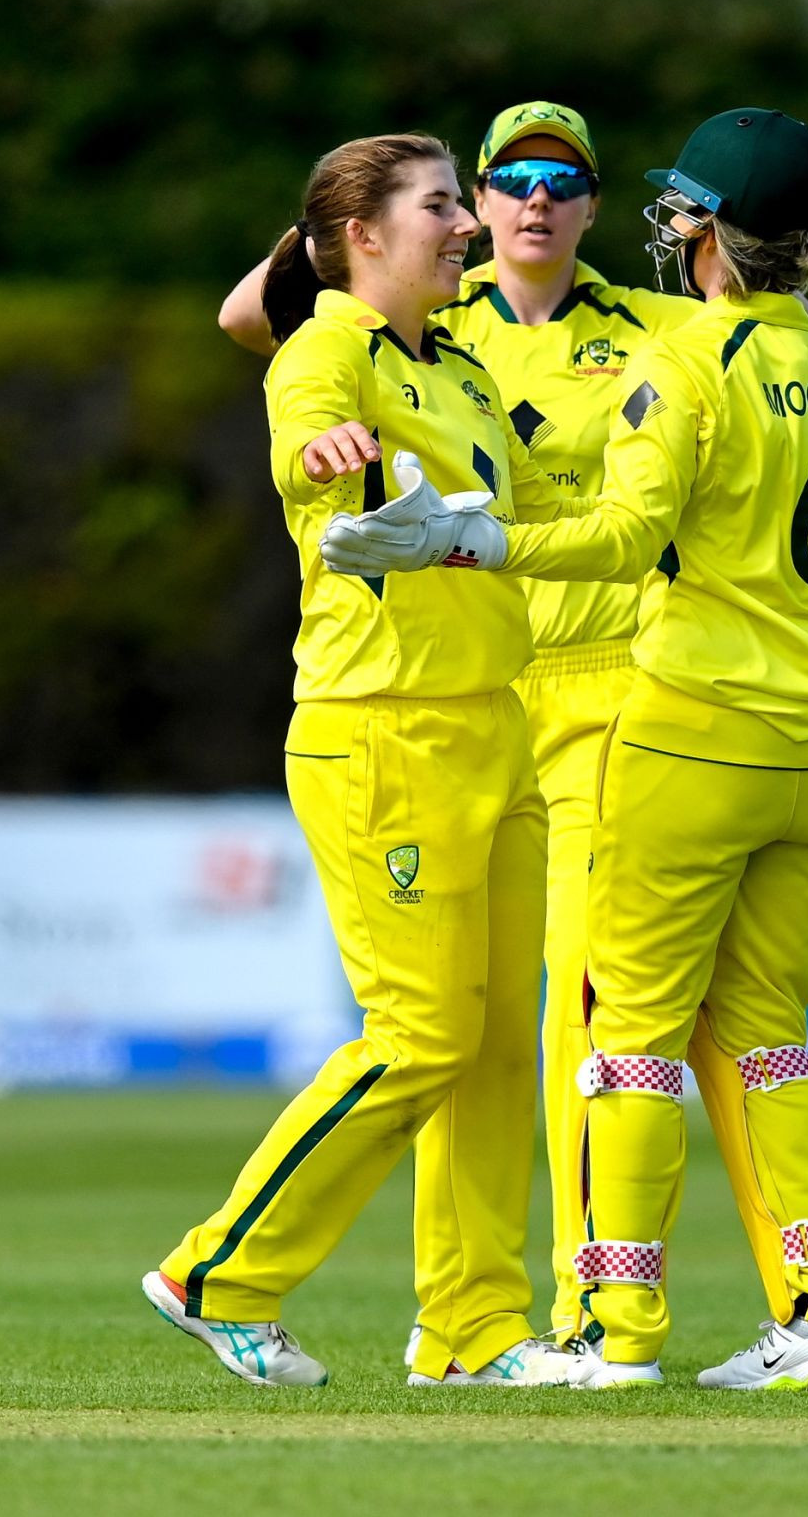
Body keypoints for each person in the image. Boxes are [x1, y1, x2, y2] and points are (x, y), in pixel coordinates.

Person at [219, 99, 808, 1361]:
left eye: (562, 179)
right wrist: (343, 230)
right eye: (500, 178)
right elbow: (252, 317)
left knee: (586, 1012)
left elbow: (803, 346)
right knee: (472, 1024)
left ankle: (591, 1309)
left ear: (596, 203)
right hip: (482, 688)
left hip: (621, 685)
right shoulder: (426, 329)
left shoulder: (646, 322)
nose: (528, 201)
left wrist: (777, 287)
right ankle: (470, 1317)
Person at [142, 132, 588, 1389]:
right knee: (422, 1034)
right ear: (363, 236)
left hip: (493, 721)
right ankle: (217, 1272)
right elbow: (303, 426)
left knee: (500, 1044)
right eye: (444, 204)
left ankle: (472, 1329)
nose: (472, 223)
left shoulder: (456, 362)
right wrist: (327, 455)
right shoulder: (329, 345)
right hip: (383, 725)